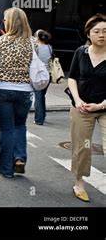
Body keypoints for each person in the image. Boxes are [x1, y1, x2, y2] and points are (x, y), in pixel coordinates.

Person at [0, 7, 35, 178]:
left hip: (2, 88)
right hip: (25, 91)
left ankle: (6, 169)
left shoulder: (0, 41)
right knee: (20, 125)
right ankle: (19, 158)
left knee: (6, 129)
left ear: (9, 22)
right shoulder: (32, 43)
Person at [67, 13, 106, 202]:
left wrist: (100, 105)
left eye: (105, 31)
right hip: (81, 108)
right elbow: (72, 77)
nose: (101, 35)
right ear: (88, 34)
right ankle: (79, 183)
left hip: (104, 106)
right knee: (82, 147)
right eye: (97, 31)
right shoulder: (80, 52)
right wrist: (78, 99)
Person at [33, 29, 53, 125]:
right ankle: (43, 115)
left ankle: (39, 119)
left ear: (37, 37)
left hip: (38, 74)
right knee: (42, 96)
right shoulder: (49, 47)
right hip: (47, 75)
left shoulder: (36, 47)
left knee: (38, 96)